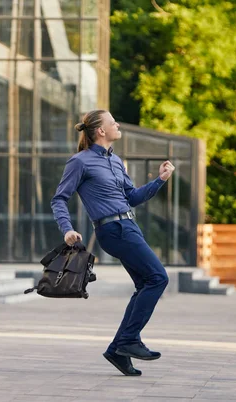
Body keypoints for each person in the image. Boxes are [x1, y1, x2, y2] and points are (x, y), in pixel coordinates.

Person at [51, 109, 175, 376]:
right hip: (113, 229)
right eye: (112, 122)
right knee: (158, 278)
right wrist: (67, 229)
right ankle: (129, 340)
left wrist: (160, 179)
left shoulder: (116, 161)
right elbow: (59, 198)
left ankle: (117, 351)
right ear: (100, 131)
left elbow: (132, 197)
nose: (117, 124)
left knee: (145, 283)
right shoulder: (80, 162)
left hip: (130, 225)